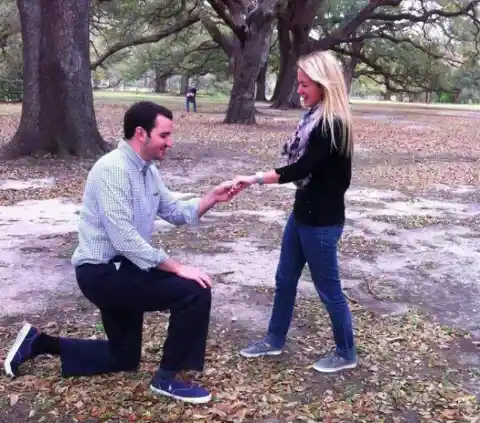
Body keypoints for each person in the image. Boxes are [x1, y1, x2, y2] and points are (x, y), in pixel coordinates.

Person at [4, 101, 239, 404]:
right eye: (164, 135)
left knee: (124, 356)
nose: (170, 142)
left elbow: (176, 211)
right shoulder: (113, 170)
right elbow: (124, 238)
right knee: (193, 290)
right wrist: (177, 267)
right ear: (141, 133)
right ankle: (167, 378)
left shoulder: (148, 171)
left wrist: (212, 198)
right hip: (102, 274)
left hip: (126, 269)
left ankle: (39, 343)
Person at [232, 50, 357, 373]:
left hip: (322, 222)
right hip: (302, 213)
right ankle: (274, 340)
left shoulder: (332, 125)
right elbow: (303, 171)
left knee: (329, 291)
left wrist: (254, 179)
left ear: (323, 84)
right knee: (285, 278)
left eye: (304, 84)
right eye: (298, 84)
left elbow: (301, 167)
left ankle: (346, 353)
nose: (299, 90)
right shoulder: (314, 117)